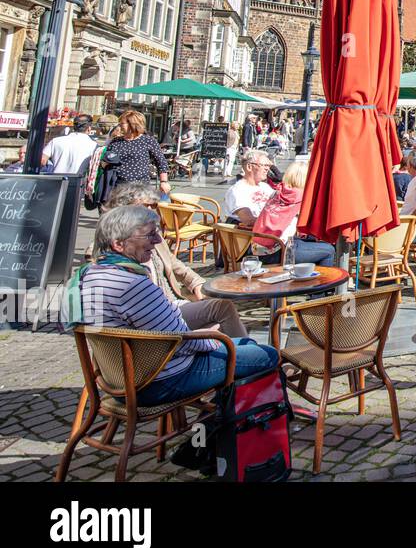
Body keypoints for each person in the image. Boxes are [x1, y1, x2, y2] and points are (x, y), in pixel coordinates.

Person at [68, 204, 278, 407]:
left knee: (244, 345)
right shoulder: (132, 284)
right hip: (160, 381)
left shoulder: (85, 276)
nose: (158, 240)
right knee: (267, 354)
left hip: (120, 380)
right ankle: (246, 421)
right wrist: (215, 338)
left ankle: (229, 410)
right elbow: (182, 341)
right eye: (149, 235)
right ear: (119, 244)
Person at [103, 182, 247, 338]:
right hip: (156, 317)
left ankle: (239, 355)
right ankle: (243, 355)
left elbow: (173, 262)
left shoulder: (152, 233)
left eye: (154, 206)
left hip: (170, 303)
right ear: (125, 209)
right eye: (145, 206)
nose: (152, 210)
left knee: (221, 311)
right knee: (219, 318)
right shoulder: (112, 249)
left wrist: (196, 283)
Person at [250, 160, 336, 268]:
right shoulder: (302, 197)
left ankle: (307, 279)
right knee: (329, 250)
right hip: (278, 251)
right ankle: (322, 284)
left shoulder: (277, 191)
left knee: (310, 245)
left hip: (257, 248)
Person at [105, 109, 171, 196]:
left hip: (140, 186)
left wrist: (164, 181)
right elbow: (106, 160)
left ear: (133, 124)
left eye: (122, 123)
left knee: (137, 210)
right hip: (118, 186)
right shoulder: (116, 141)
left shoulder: (148, 140)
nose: (119, 125)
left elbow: (161, 162)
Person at [222, 149, 276, 225]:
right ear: (249, 167)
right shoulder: (237, 191)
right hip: (249, 234)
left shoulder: (265, 187)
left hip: (268, 229)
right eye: (264, 165)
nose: (267, 169)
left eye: (268, 166)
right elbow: (249, 220)